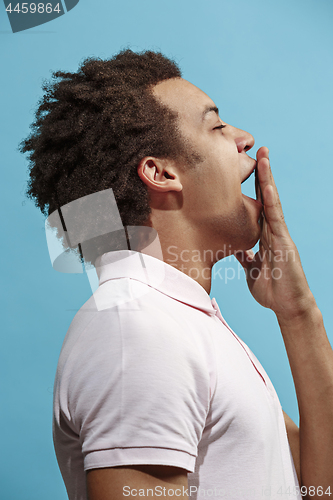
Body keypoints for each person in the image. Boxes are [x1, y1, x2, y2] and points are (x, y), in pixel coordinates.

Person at [20, 49, 333, 500]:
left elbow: (320, 487)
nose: (244, 138)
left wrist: (299, 315)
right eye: (217, 126)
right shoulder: (138, 331)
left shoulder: (181, 323)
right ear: (161, 172)